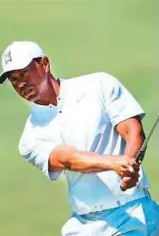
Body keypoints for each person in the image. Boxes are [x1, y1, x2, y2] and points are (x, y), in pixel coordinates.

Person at [0, 41, 159, 236]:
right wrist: (115, 164)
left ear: (44, 63)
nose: (20, 83)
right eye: (14, 79)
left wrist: (129, 165)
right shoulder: (29, 137)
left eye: (24, 72)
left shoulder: (99, 84)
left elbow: (132, 130)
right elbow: (68, 159)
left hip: (134, 214)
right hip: (85, 226)